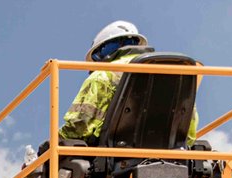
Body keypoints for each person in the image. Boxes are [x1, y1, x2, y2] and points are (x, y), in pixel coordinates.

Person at [59, 20, 198, 147]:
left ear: (107, 49)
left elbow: (80, 127)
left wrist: (56, 141)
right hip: (173, 157)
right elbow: (189, 130)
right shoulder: (175, 75)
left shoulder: (103, 75)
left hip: (114, 160)